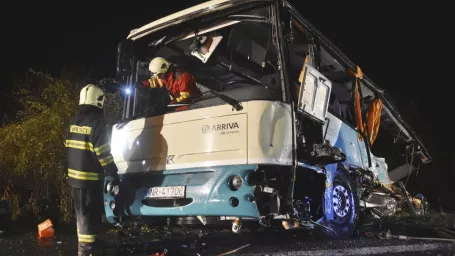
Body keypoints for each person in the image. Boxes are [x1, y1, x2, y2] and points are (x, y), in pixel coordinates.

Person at [64, 84, 120, 255]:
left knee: (86, 211)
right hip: (90, 177)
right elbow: (103, 152)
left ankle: (92, 242)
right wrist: (112, 171)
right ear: (99, 100)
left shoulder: (74, 120)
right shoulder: (97, 123)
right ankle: (86, 248)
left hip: (74, 176)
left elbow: (66, 145)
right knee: (87, 213)